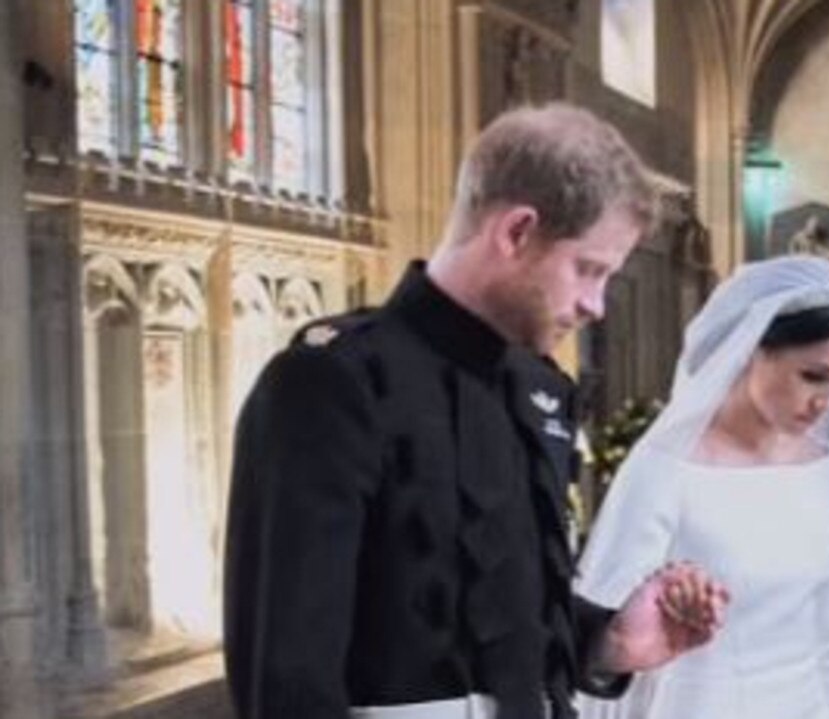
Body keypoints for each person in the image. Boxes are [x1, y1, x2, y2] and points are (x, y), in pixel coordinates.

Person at [223, 103, 728, 719]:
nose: (596, 304)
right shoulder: (333, 380)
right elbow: (287, 678)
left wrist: (607, 640)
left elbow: (503, 614)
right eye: (589, 269)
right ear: (516, 231)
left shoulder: (538, 387)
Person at [575, 256, 829, 719]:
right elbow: (608, 632)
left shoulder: (823, 468)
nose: (827, 402)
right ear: (752, 348)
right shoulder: (667, 468)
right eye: (814, 375)